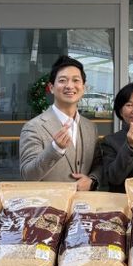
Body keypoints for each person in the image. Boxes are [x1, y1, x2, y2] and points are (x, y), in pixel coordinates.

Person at [19, 55, 102, 190]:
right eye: (62, 80)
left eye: (76, 80)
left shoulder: (90, 127)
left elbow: (98, 164)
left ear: (83, 87)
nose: (69, 86)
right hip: (50, 202)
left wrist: (92, 180)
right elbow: (28, 175)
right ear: (51, 87)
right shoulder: (34, 127)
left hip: (84, 202)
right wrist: (55, 149)